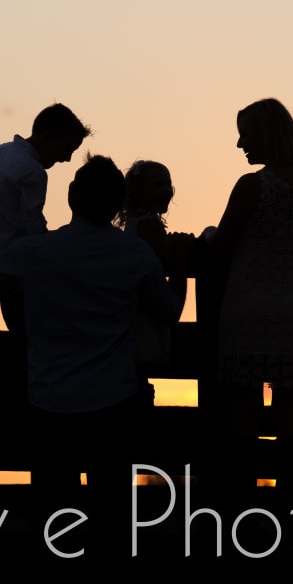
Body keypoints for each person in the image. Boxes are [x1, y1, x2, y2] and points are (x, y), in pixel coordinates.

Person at [0, 153, 184, 565]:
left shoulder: (36, 251)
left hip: (50, 399)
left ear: (71, 196)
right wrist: (182, 269)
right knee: (112, 505)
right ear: (117, 199)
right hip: (115, 399)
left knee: (55, 504)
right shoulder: (136, 255)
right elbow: (169, 312)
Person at [206, 98, 293, 466]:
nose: (240, 144)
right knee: (290, 411)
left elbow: (222, 246)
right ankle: (287, 506)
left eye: (246, 135)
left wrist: (209, 236)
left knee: (245, 409)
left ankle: (246, 510)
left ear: (265, 135)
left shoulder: (252, 186)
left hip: (248, 309)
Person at [0, 103, 92, 412]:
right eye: (66, 148)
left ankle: (8, 403)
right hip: (22, 275)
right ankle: (18, 406)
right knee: (31, 344)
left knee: (18, 335)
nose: (67, 158)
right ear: (47, 136)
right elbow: (33, 228)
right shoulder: (32, 172)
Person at [115, 160, 190, 407]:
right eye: (158, 184)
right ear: (137, 191)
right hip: (147, 310)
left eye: (169, 183)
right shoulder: (150, 224)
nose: (167, 190)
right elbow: (168, 259)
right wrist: (182, 252)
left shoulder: (133, 223)